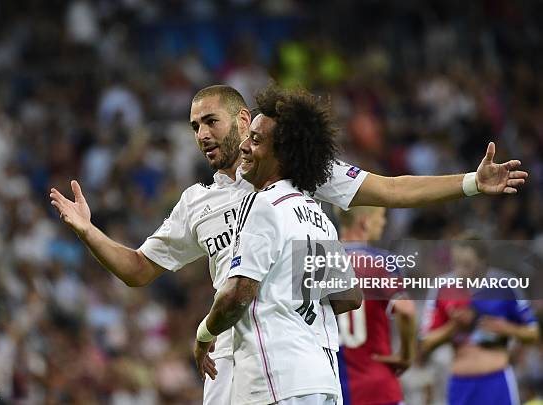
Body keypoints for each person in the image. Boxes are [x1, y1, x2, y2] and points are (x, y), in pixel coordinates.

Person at [49, 83, 528, 404]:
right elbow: (137, 269)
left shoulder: (297, 176)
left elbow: (390, 189)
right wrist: (89, 232)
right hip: (227, 369)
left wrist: (469, 182)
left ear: (243, 120)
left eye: (209, 122)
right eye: (193, 126)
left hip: (281, 362)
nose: (200, 135)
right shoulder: (197, 202)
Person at [194, 85, 354, 404]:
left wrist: (203, 336)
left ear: (281, 152)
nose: (245, 148)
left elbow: (239, 293)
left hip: (279, 380)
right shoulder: (317, 214)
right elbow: (349, 297)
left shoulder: (263, 205)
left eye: (255, 140)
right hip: (323, 380)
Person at [419, 235, 540, 405]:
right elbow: (426, 343)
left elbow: (533, 333)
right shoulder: (442, 288)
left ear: (483, 261)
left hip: (497, 381)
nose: (460, 271)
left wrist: (505, 328)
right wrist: (454, 326)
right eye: (456, 264)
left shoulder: (505, 285)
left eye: (467, 264)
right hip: (461, 384)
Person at [334, 206, 417, 405]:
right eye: (380, 216)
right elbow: (406, 311)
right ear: (365, 221)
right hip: (378, 385)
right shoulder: (381, 261)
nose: (384, 222)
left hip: (334, 388)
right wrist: (406, 355)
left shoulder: (317, 264)